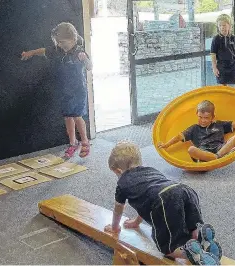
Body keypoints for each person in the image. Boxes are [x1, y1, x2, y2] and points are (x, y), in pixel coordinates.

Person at [103, 141, 222, 265]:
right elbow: (145, 202)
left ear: (118, 171)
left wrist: (115, 227)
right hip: (184, 190)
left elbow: (118, 208)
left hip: (164, 199)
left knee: (167, 248)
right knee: (191, 225)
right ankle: (203, 240)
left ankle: (192, 253)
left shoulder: (122, 183)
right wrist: (136, 222)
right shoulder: (150, 170)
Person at [21, 22, 93, 159]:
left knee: (77, 115)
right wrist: (31, 53)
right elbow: (44, 51)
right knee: (67, 116)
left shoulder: (79, 51)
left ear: (72, 39)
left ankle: (84, 141)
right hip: (65, 89)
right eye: (58, 42)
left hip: (78, 90)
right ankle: (73, 142)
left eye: (62, 42)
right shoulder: (58, 50)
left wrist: (85, 61)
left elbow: (89, 67)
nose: (60, 45)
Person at [157, 100, 235, 162]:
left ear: (213, 117)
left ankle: (217, 156)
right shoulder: (194, 128)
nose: (203, 120)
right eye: (200, 117)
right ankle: (219, 157)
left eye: (206, 118)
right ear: (196, 114)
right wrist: (166, 145)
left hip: (219, 148)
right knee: (191, 149)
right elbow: (178, 137)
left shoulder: (219, 124)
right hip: (203, 153)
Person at [210, 14, 235, 92]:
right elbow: (213, 54)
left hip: (234, 64)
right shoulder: (216, 39)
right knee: (224, 88)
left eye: (224, 25)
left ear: (229, 26)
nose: (222, 27)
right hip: (222, 66)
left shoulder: (233, 38)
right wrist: (214, 67)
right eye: (220, 25)